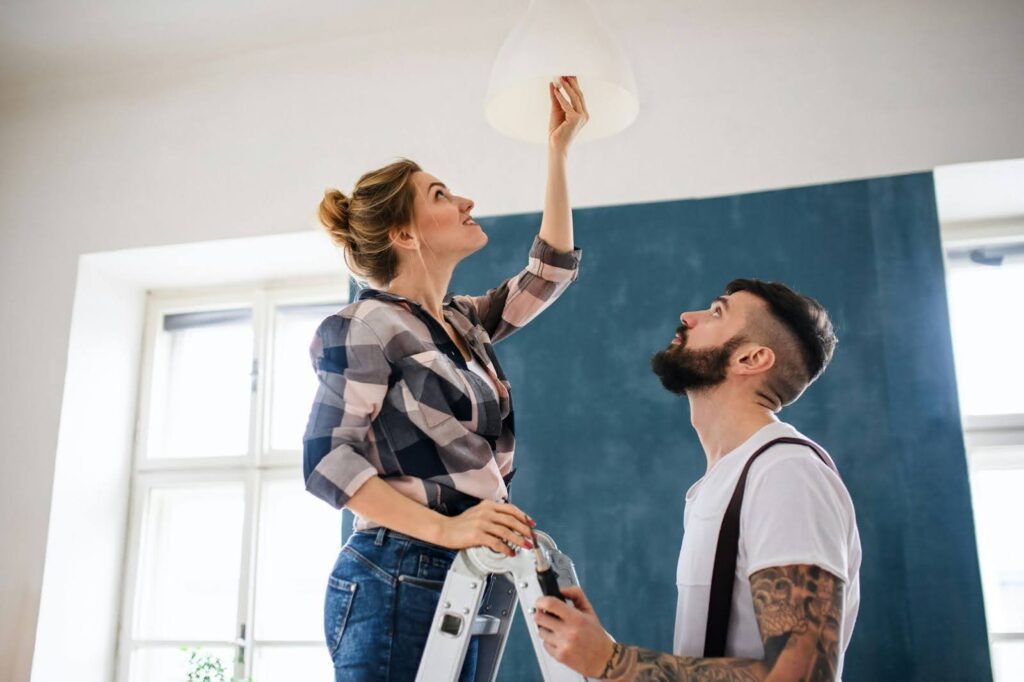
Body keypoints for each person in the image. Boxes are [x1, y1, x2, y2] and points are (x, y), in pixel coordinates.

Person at [303, 76, 588, 681]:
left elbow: (549, 272)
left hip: (468, 569)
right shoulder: (363, 326)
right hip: (398, 571)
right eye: (441, 195)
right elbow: (327, 460)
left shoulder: (461, 321)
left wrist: (558, 152)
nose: (465, 201)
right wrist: (448, 528)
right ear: (404, 235)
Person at [533, 280, 861, 681]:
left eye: (717, 312)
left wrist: (613, 662)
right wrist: (598, 652)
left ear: (751, 358)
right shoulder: (724, 480)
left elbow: (805, 675)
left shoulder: (786, 474)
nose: (688, 317)